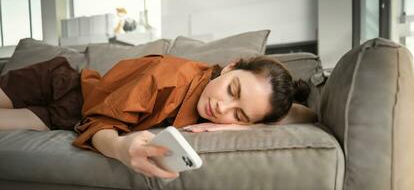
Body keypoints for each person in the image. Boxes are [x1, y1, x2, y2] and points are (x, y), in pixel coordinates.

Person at [0, 54, 317, 179]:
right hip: (62, 83)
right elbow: (100, 123)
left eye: (239, 114)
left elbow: (307, 115)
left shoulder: (222, 112)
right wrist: (122, 148)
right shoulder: (172, 77)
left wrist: (244, 125)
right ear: (232, 66)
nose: (222, 108)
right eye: (232, 90)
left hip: (66, 116)